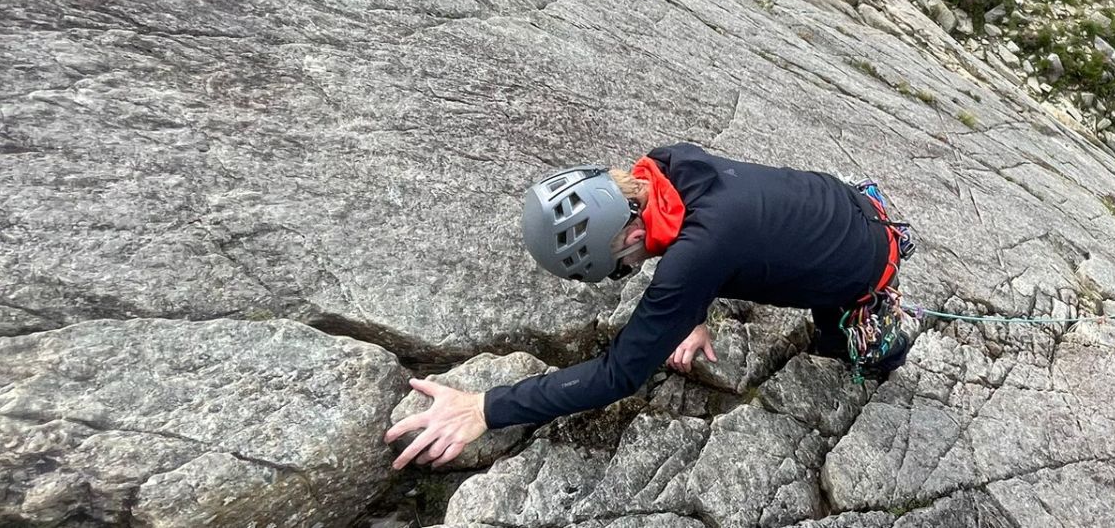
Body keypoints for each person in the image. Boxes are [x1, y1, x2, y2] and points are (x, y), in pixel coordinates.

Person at [383, 143, 916, 469]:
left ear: (631, 225)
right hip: (850, 200)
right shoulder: (668, 163)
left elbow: (618, 375)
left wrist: (484, 408)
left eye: (620, 261)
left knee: (851, 352)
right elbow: (722, 237)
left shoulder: (696, 255)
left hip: (867, 263)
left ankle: (884, 336)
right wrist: (693, 312)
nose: (624, 272)